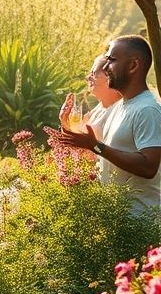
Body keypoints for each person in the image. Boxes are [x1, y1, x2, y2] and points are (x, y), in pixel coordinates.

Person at [58, 35, 161, 213]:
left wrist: (97, 147)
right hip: (118, 222)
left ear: (133, 65)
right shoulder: (120, 107)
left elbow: (148, 166)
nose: (106, 67)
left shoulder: (147, 110)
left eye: (112, 60)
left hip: (140, 222)